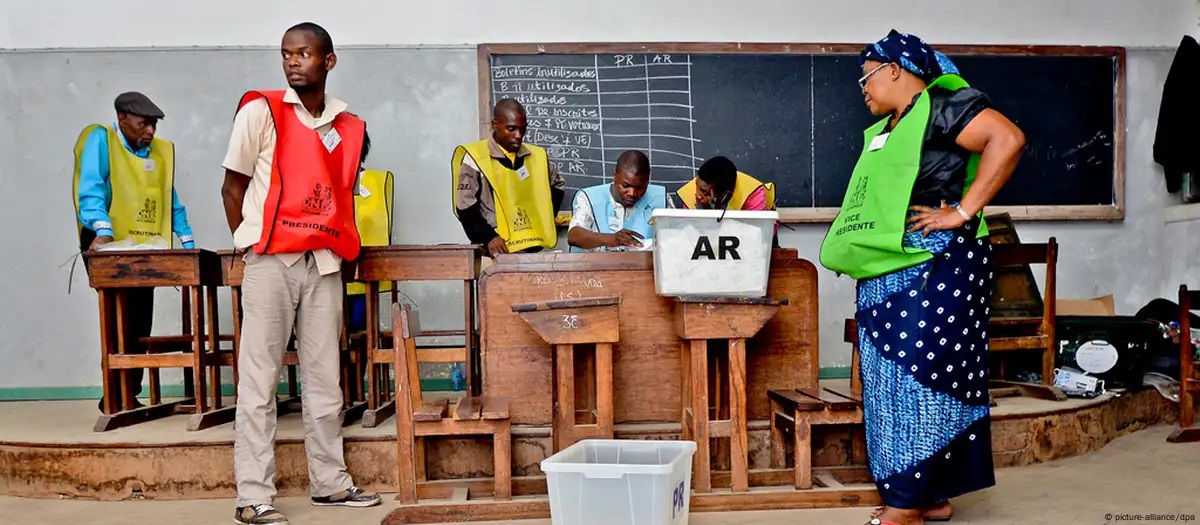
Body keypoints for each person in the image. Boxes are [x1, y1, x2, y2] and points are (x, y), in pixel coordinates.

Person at [818, 30, 1025, 525]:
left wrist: (962, 211)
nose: (862, 89)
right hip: (888, 268)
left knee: (922, 379)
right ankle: (929, 496)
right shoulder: (890, 126)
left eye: (866, 77)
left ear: (894, 69)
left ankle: (906, 504)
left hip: (936, 267)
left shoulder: (944, 106)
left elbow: (1008, 139)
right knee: (887, 382)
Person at [219, 22, 380, 525]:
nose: (293, 61)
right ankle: (253, 495)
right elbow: (232, 187)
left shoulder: (347, 125)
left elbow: (342, 193)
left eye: (304, 53)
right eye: (286, 53)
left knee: (325, 379)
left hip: (324, 262)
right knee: (259, 380)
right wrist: (251, 244)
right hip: (271, 260)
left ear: (328, 61)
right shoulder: (261, 111)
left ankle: (330, 484)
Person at [72, 91, 196, 412]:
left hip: (144, 247)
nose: (151, 131)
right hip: (108, 244)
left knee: (140, 318)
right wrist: (101, 229)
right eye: (144, 124)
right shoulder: (102, 140)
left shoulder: (156, 153)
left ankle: (130, 392)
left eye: (154, 125)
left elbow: (169, 197)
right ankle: (114, 394)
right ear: (123, 118)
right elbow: (91, 186)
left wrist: (186, 242)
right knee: (118, 316)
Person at [452, 98, 565, 257]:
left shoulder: (538, 156)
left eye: (523, 129)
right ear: (495, 124)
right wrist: (489, 237)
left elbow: (557, 186)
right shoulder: (475, 158)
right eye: (511, 129)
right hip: (494, 251)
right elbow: (465, 207)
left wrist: (545, 220)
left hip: (533, 249)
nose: (518, 135)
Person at [567, 150, 666, 252]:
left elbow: (673, 237)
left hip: (647, 261)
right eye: (625, 185)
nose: (632, 193)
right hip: (597, 261)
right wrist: (611, 239)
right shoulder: (588, 197)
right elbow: (573, 236)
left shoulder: (661, 198)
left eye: (640, 187)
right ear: (615, 175)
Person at [673, 155, 775, 211]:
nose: (698, 196)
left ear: (725, 196)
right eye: (697, 186)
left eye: (705, 193)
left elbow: (756, 235)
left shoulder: (753, 195)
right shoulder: (691, 194)